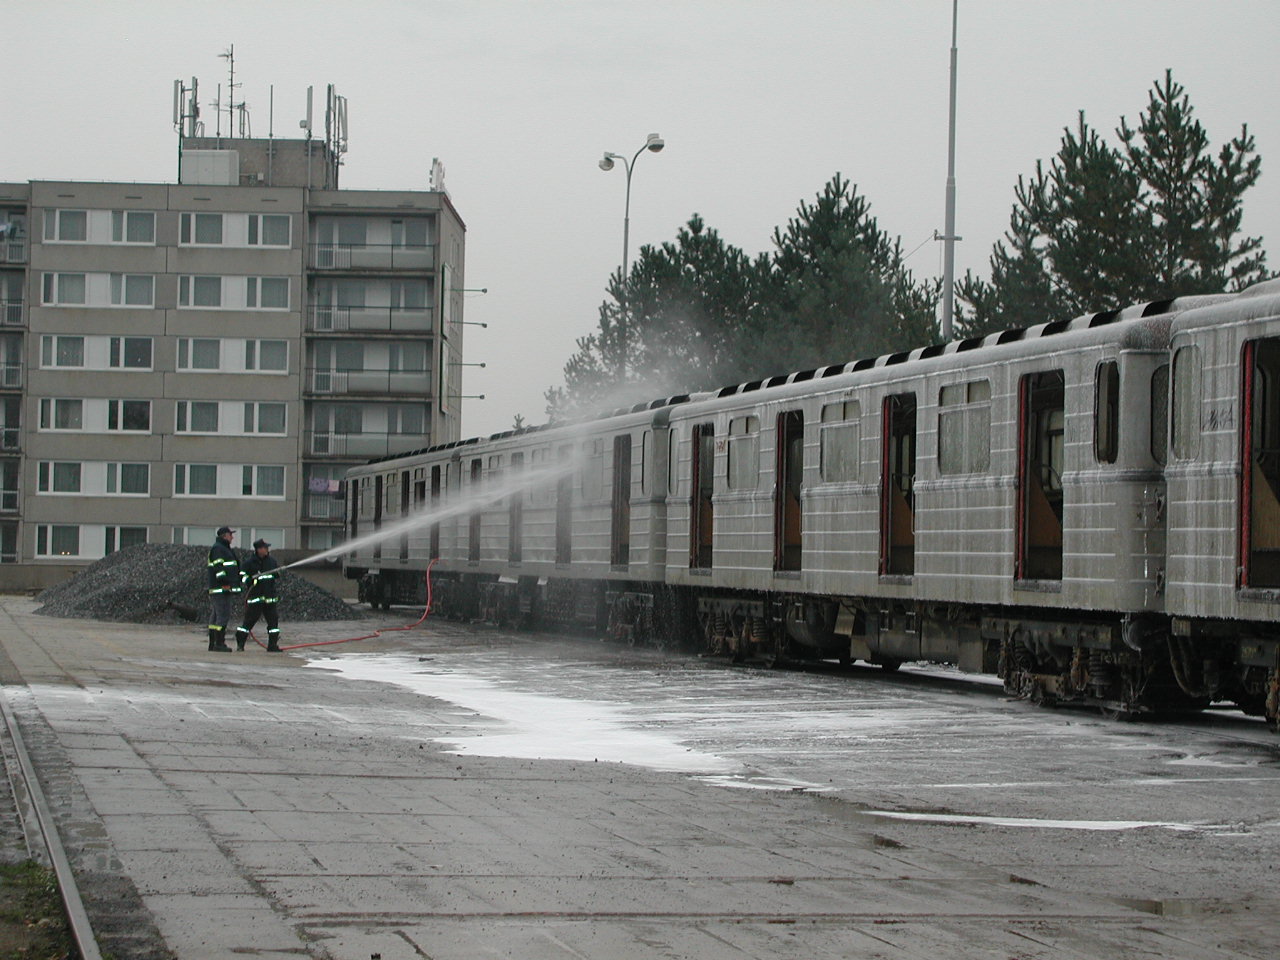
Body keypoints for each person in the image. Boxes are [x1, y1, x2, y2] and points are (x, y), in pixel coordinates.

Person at [235, 539, 283, 652]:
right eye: (265, 548)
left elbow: (277, 574)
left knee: (273, 623)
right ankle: (240, 644)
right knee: (248, 622)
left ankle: (272, 646)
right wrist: (249, 580)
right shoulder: (249, 563)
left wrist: (276, 573)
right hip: (256, 598)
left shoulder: (271, 561)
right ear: (258, 549)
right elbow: (241, 575)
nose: (267, 550)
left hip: (269, 598)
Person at [206, 526, 241, 652]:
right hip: (221, 588)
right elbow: (219, 568)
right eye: (230, 535)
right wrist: (225, 582)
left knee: (216, 615)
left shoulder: (223, 548)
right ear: (224, 536)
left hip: (220, 587)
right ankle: (219, 643)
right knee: (223, 615)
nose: (232, 537)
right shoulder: (219, 549)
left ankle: (213, 643)